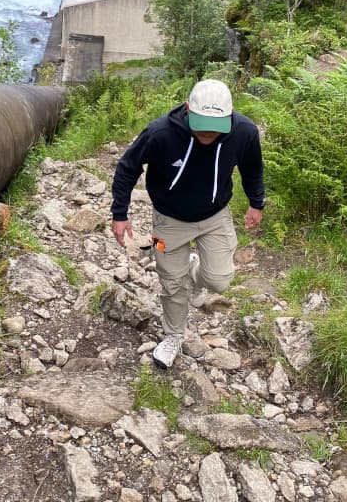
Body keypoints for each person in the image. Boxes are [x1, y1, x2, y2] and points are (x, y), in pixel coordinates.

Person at [110, 79, 265, 369]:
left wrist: (257, 203)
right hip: (167, 222)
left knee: (219, 280)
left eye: (215, 125)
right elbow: (128, 167)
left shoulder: (244, 132)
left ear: (230, 115)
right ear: (187, 109)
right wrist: (120, 214)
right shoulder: (161, 133)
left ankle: (194, 273)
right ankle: (173, 336)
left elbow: (252, 168)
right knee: (171, 282)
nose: (207, 132)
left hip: (215, 217)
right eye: (202, 123)